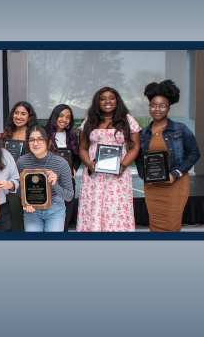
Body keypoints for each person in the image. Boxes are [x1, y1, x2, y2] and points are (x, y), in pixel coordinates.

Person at [135, 80, 200, 232]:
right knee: (156, 224)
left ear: (169, 108)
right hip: (152, 186)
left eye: (162, 105)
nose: (157, 109)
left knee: (171, 224)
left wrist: (176, 173)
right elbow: (138, 157)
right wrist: (143, 175)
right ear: (149, 107)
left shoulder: (181, 129)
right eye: (153, 105)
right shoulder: (143, 133)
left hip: (175, 184)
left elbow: (194, 153)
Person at [77, 87, 141, 232]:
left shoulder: (127, 120)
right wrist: (89, 164)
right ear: (97, 102)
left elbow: (135, 148)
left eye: (111, 98)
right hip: (94, 176)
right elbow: (82, 148)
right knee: (94, 209)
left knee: (115, 210)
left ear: (117, 101)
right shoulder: (89, 121)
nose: (107, 101)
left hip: (118, 175)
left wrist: (123, 167)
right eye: (103, 98)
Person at [17, 125, 74, 232]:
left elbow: (69, 196)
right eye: (31, 140)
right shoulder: (22, 162)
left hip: (55, 208)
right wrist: (26, 202)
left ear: (48, 142)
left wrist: (55, 184)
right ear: (28, 143)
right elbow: (20, 188)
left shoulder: (61, 163)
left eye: (40, 139)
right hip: (32, 210)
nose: (35, 143)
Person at [1, 101, 39, 232]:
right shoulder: (6, 135)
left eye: (23, 113)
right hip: (9, 182)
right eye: (16, 113)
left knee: (24, 221)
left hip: (27, 182)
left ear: (30, 117)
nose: (19, 116)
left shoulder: (34, 135)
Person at [45, 104, 81, 231]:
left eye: (68, 117)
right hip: (47, 183)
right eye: (61, 116)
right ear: (54, 116)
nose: (64, 120)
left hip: (66, 183)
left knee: (64, 221)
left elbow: (77, 156)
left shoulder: (71, 135)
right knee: (48, 221)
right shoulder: (44, 134)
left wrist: (74, 168)